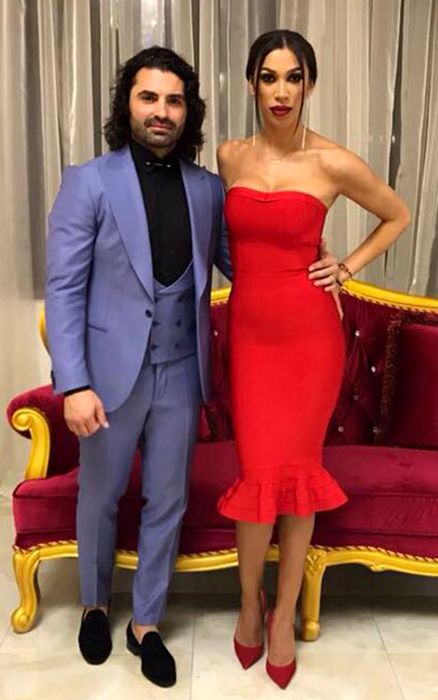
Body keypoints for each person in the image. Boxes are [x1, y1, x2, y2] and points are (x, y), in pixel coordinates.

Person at [45, 44, 341, 687]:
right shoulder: (88, 181)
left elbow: (249, 264)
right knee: (100, 496)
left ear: (188, 112)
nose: (162, 110)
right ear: (127, 104)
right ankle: (94, 605)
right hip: (108, 377)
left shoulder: (208, 189)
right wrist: (74, 383)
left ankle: (146, 623)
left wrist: (315, 265)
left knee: (168, 500)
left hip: (182, 371)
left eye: (174, 100)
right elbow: (64, 289)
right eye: (149, 97)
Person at [217, 30, 410, 689]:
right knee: (256, 479)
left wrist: (345, 268)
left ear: (309, 85)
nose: (281, 91)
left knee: (297, 480)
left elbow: (397, 214)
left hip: (309, 341)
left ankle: (281, 618)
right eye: (269, 77)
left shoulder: (332, 161)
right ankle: (250, 604)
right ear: (251, 83)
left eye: (293, 77)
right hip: (248, 340)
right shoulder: (230, 156)